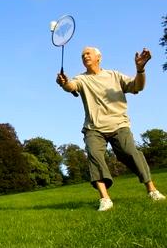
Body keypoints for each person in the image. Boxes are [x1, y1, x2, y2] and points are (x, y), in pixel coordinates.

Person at [56, 46, 166, 211]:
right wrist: (64, 83)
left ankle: (152, 190)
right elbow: (71, 86)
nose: (85, 56)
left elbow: (138, 86)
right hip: (93, 128)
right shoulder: (82, 79)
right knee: (94, 155)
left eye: (88, 53)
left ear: (98, 57)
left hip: (119, 124)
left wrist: (140, 69)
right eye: (82, 55)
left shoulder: (114, 75)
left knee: (130, 153)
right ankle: (105, 199)